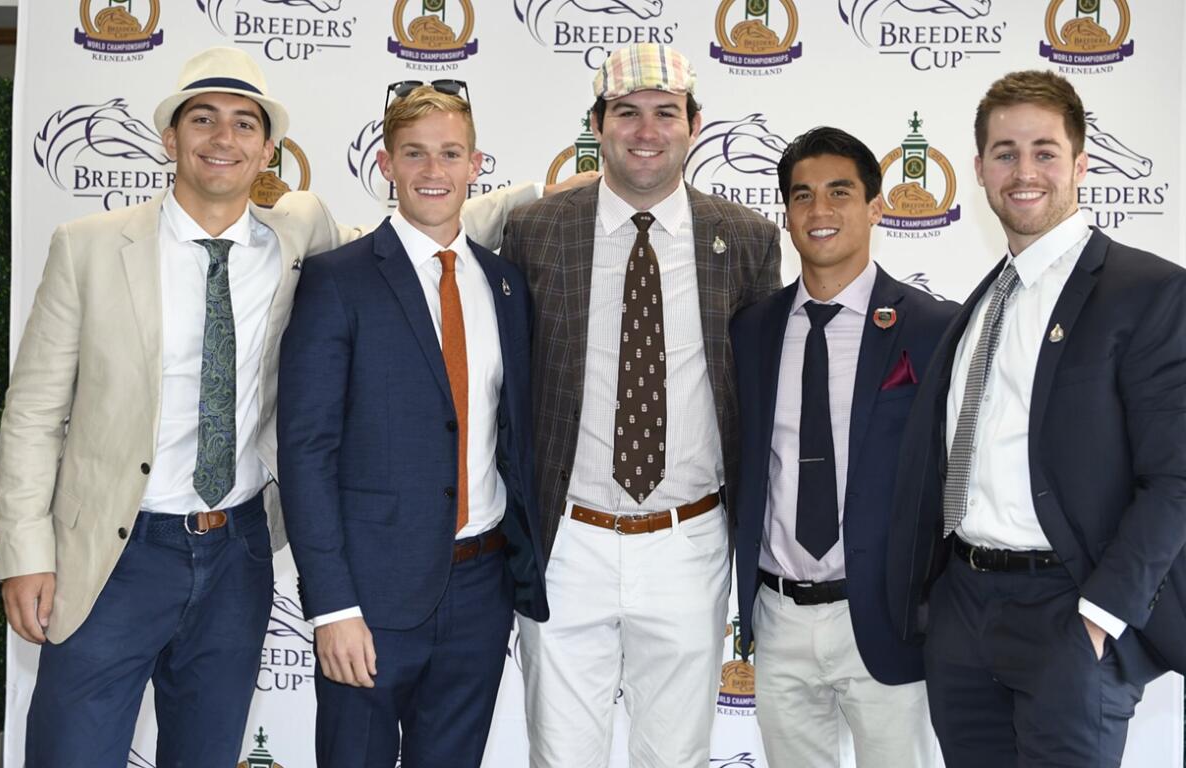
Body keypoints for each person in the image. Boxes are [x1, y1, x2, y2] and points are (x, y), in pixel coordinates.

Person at [0, 46, 555, 767]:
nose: (223, 140)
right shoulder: (90, 246)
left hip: (238, 551)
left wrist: (545, 190)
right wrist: (25, 554)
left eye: (243, 125)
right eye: (204, 120)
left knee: (205, 752)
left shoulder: (299, 235)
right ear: (171, 138)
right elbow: (34, 412)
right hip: (112, 558)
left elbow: (417, 236)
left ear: (268, 150)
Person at [887, 69, 1186, 767]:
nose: (1024, 171)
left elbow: (1176, 477)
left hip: (1070, 614)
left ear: (1081, 165)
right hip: (963, 613)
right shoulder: (985, 301)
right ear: (981, 171)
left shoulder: (1148, 292)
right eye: (1005, 153)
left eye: (1044, 152)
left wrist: (1100, 615)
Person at [502, 43, 782, 767]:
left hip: (688, 540)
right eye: (626, 113)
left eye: (666, 113)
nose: (646, 131)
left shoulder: (747, 240)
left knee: (676, 755)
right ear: (597, 124)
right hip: (569, 540)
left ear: (695, 124)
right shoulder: (535, 230)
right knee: (560, 755)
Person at [276, 82, 547, 767]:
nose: (434, 170)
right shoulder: (337, 280)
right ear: (386, 165)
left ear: (476, 164)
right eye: (415, 154)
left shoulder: (505, 284)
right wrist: (332, 608)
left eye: (450, 153)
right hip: (368, 598)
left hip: (481, 591)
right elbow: (306, 451)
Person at [730, 127, 955, 767]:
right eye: (802, 197)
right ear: (787, 214)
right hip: (776, 618)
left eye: (839, 193)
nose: (820, 212)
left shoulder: (932, 328)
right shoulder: (751, 330)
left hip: (884, 615)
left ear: (875, 207)